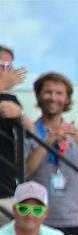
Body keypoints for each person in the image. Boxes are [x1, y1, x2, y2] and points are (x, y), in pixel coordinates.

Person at [25, 72, 78, 235]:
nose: (53, 98)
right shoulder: (30, 132)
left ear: (67, 99)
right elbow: (26, 171)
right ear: (39, 96)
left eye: (59, 93)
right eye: (48, 92)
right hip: (39, 219)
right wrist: (46, 142)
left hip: (74, 220)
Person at [0, 45, 30, 218]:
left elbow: (34, 133)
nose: (7, 72)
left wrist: (20, 114)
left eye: (9, 67)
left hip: (6, 188)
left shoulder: (9, 99)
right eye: (2, 66)